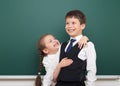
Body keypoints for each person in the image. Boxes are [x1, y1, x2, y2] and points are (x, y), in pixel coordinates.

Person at [53, 10, 97, 86]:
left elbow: (91, 70)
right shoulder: (62, 45)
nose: (69, 26)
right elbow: (55, 69)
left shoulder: (88, 45)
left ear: (82, 26)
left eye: (73, 23)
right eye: (67, 23)